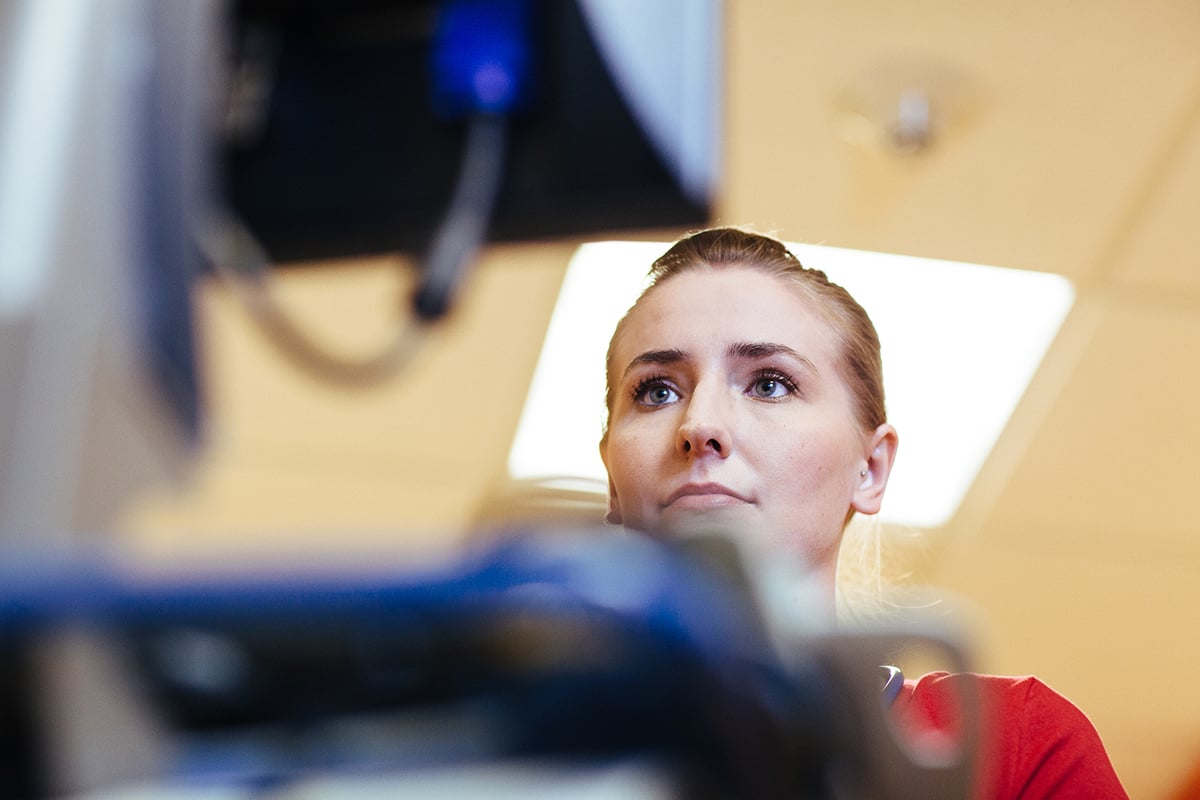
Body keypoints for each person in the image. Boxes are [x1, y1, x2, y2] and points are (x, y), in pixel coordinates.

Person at [597, 227, 1127, 798]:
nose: (700, 424)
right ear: (611, 481)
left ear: (869, 469)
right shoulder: (535, 750)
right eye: (656, 391)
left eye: (769, 384)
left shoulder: (1013, 744)